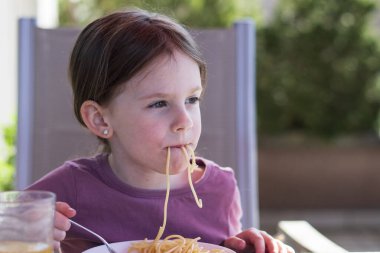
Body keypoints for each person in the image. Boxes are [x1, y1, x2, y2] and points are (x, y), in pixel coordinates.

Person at [27, 8, 294, 253]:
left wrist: (249, 246)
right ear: (100, 120)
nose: (184, 121)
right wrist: (23, 237)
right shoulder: (70, 188)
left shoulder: (219, 190)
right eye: (159, 103)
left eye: (192, 100)